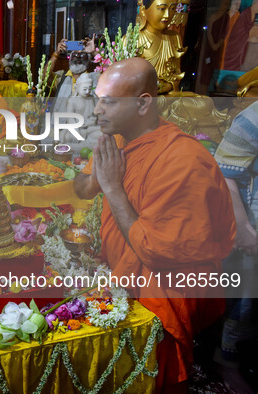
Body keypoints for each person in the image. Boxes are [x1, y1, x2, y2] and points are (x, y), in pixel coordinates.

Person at [74, 57, 235, 392]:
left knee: (148, 377)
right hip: (122, 267)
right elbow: (83, 188)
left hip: (163, 284)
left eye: (110, 102)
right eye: (98, 100)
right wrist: (96, 176)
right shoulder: (117, 139)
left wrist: (114, 188)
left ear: (143, 103)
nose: (97, 111)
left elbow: (156, 250)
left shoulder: (184, 162)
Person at [214, 101, 258, 394]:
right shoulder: (252, 117)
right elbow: (223, 174)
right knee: (245, 301)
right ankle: (226, 361)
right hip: (251, 227)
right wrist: (243, 230)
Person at [138, 0, 186, 94]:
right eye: (162, 9)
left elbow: (176, 73)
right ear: (143, 10)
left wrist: (169, 86)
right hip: (144, 97)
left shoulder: (174, 37)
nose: (167, 15)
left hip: (167, 96)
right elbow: (126, 78)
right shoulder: (133, 39)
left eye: (172, 8)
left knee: (203, 101)